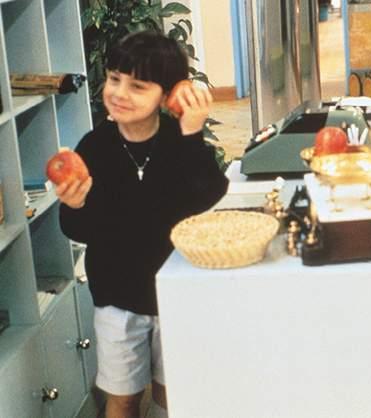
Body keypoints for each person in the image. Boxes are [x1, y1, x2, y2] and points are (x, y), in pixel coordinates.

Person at [56, 31, 229, 417]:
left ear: (167, 95)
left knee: (174, 392)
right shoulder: (93, 148)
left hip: (175, 289)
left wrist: (192, 134)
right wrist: (75, 204)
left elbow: (208, 195)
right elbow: (78, 230)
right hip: (117, 298)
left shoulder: (178, 140)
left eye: (138, 86)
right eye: (114, 79)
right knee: (122, 397)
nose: (120, 93)